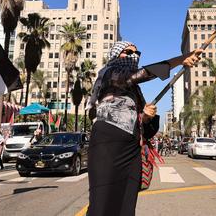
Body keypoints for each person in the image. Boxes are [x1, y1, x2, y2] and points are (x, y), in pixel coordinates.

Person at [86, 41, 201, 216]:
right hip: (107, 146)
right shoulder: (109, 72)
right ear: (116, 55)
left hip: (132, 150)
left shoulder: (134, 90)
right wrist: (181, 59)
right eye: (128, 52)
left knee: (126, 204)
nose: (134, 56)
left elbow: (144, 127)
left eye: (136, 52)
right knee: (101, 204)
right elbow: (144, 73)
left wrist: (146, 117)